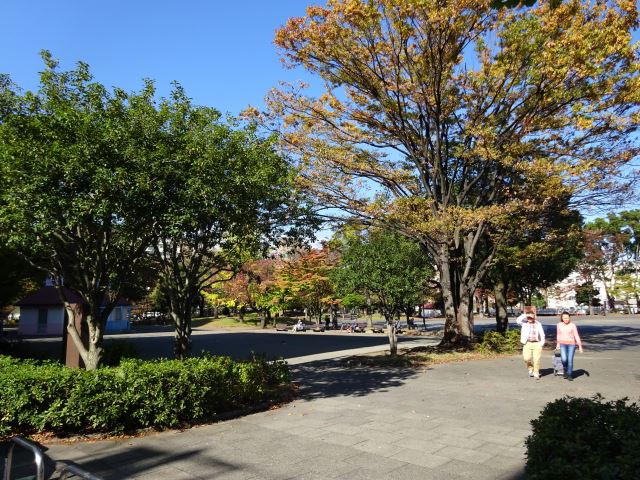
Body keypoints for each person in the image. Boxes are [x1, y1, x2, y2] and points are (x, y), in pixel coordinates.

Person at [516, 310, 545, 380]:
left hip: (537, 343)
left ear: (534, 317)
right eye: (528, 317)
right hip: (527, 343)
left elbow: (542, 334)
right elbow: (518, 320)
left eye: (531, 317)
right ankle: (530, 368)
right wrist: (526, 315)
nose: (529, 319)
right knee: (526, 358)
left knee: (536, 359)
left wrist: (541, 343)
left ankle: (536, 372)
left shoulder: (538, 324)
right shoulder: (524, 323)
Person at [555, 311, 583, 381]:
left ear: (569, 318)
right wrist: (558, 344)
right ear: (562, 318)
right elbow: (558, 335)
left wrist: (580, 346)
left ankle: (569, 374)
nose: (566, 319)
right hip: (562, 344)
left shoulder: (572, 325)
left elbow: (576, 335)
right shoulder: (559, 325)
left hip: (571, 344)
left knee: (570, 360)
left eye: (567, 318)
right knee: (564, 359)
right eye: (564, 318)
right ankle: (565, 369)